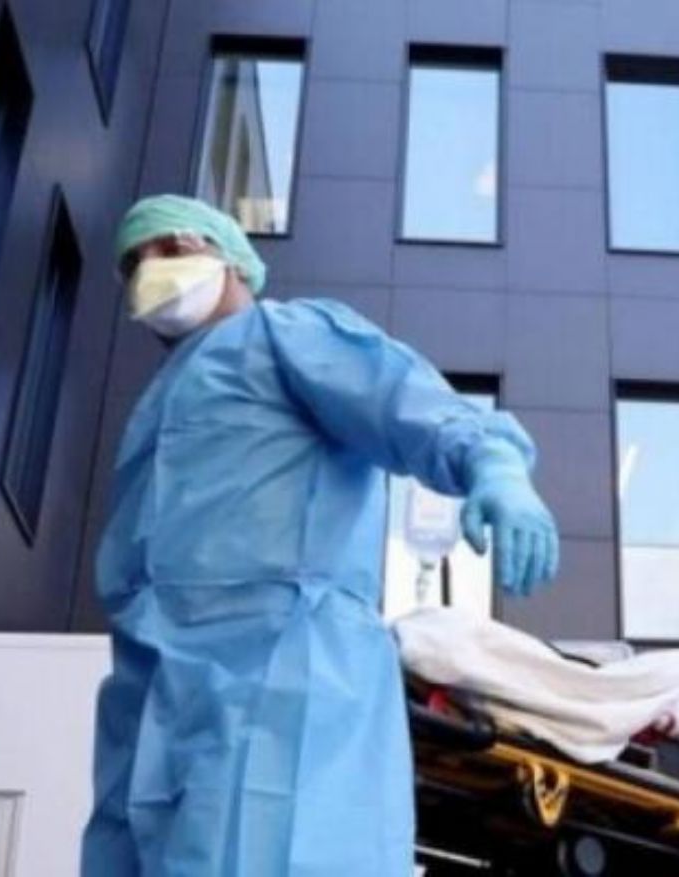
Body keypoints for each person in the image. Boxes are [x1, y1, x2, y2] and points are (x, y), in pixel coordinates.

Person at [81, 195, 560, 876]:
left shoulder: (288, 335)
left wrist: (494, 464)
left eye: (173, 247)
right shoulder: (156, 403)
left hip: (280, 669)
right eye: (134, 262)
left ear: (231, 256)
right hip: (148, 685)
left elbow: (405, 401)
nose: (151, 269)